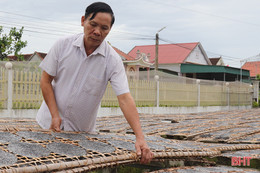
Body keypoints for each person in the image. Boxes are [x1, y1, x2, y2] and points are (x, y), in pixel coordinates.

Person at [36, 2, 153, 164]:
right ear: (83, 20)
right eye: (93, 24)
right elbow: (45, 81)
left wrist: (140, 138)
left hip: (81, 134)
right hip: (47, 124)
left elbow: (125, 98)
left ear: (110, 30)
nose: (97, 32)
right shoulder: (62, 45)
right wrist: (55, 115)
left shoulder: (112, 60)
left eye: (104, 28)